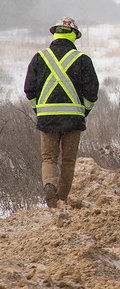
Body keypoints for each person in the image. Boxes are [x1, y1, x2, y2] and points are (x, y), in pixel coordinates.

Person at [24, 17, 99, 208]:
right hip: (73, 120)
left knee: (49, 158)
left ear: (55, 34)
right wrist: (82, 112)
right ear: (74, 36)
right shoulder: (82, 60)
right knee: (68, 161)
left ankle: (50, 185)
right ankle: (61, 201)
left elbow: (29, 90)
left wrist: (39, 110)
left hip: (47, 119)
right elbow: (92, 92)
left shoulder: (39, 58)